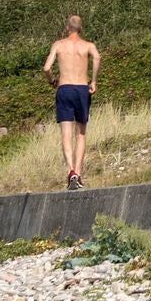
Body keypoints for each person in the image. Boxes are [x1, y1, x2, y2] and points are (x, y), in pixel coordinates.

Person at [42, 14, 100, 190]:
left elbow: (46, 68)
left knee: (65, 134)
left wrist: (52, 80)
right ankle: (79, 173)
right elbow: (97, 57)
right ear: (80, 28)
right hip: (82, 89)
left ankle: (70, 171)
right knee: (80, 133)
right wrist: (94, 81)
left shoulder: (59, 45)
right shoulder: (88, 46)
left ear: (67, 28)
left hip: (65, 88)